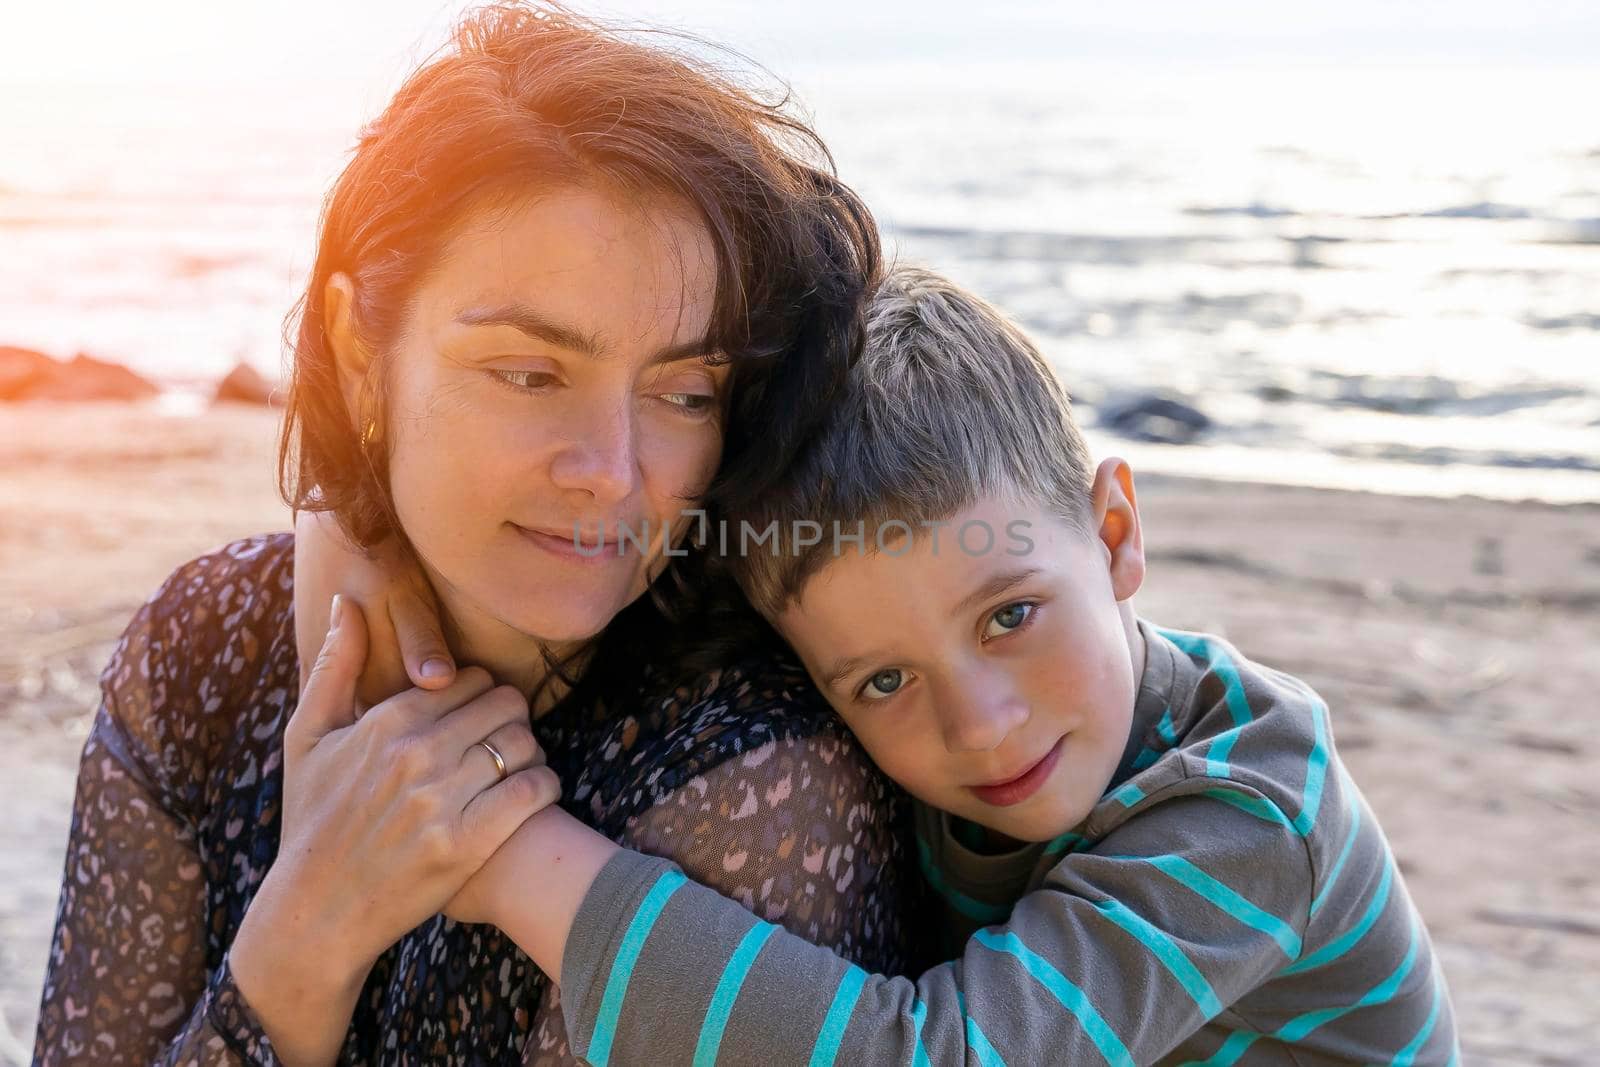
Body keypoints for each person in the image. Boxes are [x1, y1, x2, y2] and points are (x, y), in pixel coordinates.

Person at [30, 6, 913, 1065]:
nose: (613, 470)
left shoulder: (753, 772)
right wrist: (304, 938)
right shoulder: (205, 649)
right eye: (531, 373)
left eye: (684, 391)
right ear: (363, 352)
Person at [375, 267, 1460, 1064]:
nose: (981, 723)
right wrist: (363, 539)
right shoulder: (874, 661)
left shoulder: (1252, 812)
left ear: (1116, 534)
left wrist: (513, 856)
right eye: (883, 680)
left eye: (1011, 615)